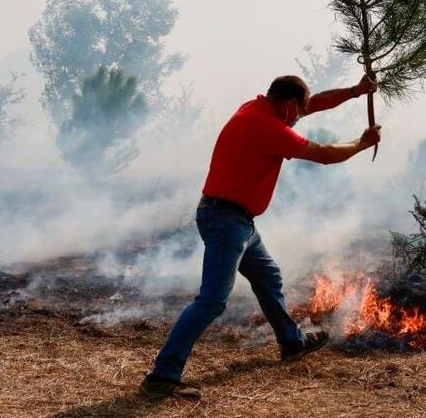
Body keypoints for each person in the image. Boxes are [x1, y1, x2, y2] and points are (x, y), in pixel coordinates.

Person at [141, 73, 381, 399]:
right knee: (212, 301)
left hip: (237, 221)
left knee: (269, 278)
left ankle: (292, 342)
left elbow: (314, 103)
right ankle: (162, 376)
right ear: (288, 105)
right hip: (226, 221)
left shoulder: (258, 109)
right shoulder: (268, 127)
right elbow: (325, 154)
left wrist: (355, 91)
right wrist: (362, 143)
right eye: (298, 111)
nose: (300, 117)